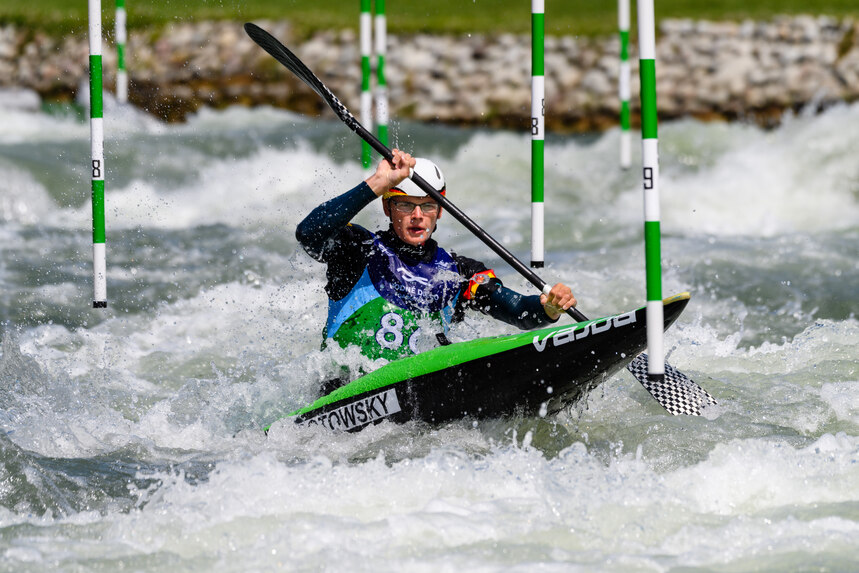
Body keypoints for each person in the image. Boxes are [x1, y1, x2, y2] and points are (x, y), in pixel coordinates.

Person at [296, 149, 577, 394]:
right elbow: (308, 233)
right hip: (343, 393)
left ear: (440, 211)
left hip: (419, 396)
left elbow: (518, 311)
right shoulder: (357, 250)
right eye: (405, 204)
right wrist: (377, 184)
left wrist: (549, 308)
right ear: (387, 206)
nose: (417, 215)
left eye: (427, 205)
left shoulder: (459, 273)